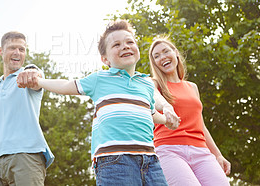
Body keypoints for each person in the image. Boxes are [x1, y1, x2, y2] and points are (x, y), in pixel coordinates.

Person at [17, 20, 180, 186]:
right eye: (116, 44)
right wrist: (39, 82)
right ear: (105, 59)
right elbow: (66, 85)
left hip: (150, 161)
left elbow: (149, 113)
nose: (125, 46)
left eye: (130, 42)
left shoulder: (145, 83)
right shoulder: (99, 79)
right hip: (115, 160)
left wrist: (167, 119)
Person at [0, 31, 54, 186]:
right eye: (12, 48)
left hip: (25, 156)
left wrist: (34, 71)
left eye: (22, 49)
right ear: (1, 51)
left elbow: (36, 74)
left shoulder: (28, 78)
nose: (17, 53)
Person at [149, 36, 231, 186]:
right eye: (157, 56)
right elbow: (153, 95)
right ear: (154, 63)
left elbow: (201, 125)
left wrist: (218, 155)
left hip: (201, 151)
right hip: (168, 150)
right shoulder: (154, 83)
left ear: (175, 53)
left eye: (166, 51)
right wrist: (166, 106)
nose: (162, 57)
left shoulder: (192, 87)